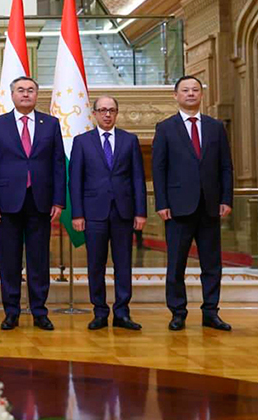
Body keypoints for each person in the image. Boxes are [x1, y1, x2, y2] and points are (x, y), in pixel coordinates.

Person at [0, 76, 64, 331]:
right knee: (9, 261)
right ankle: (11, 312)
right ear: (12, 95)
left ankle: (39, 311)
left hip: (41, 201)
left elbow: (58, 165)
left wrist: (59, 201)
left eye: (30, 90)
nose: (26, 94)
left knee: (39, 260)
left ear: (37, 95)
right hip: (7, 203)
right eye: (21, 90)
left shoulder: (51, 124)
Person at [152, 76, 234, 331]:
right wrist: (161, 203)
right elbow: (159, 169)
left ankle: (211, 312)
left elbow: (225, 166)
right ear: (176, 96)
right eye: (185, 90)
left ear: (201, 94)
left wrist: (226, 198)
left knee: (212, 264)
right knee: (176, 264)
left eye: (195, 90)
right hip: (177, 208)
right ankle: (178, 313)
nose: (190, 94)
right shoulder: (165, 128)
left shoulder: (215, 127)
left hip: (210, 206)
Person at [69, 96, 147, 331]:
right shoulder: (82, 142)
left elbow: (138, 179)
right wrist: (77, 214)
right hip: (94, 213)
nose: (107, 114)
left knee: (123, 265)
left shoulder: (129, 140)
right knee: (96, 265)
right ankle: (100, 312)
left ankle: (122, 312)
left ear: (117, 113)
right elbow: (75, 181)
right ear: (94, 113)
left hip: (124, 213)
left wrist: (141, 212)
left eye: (111, 110)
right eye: (102, 110)